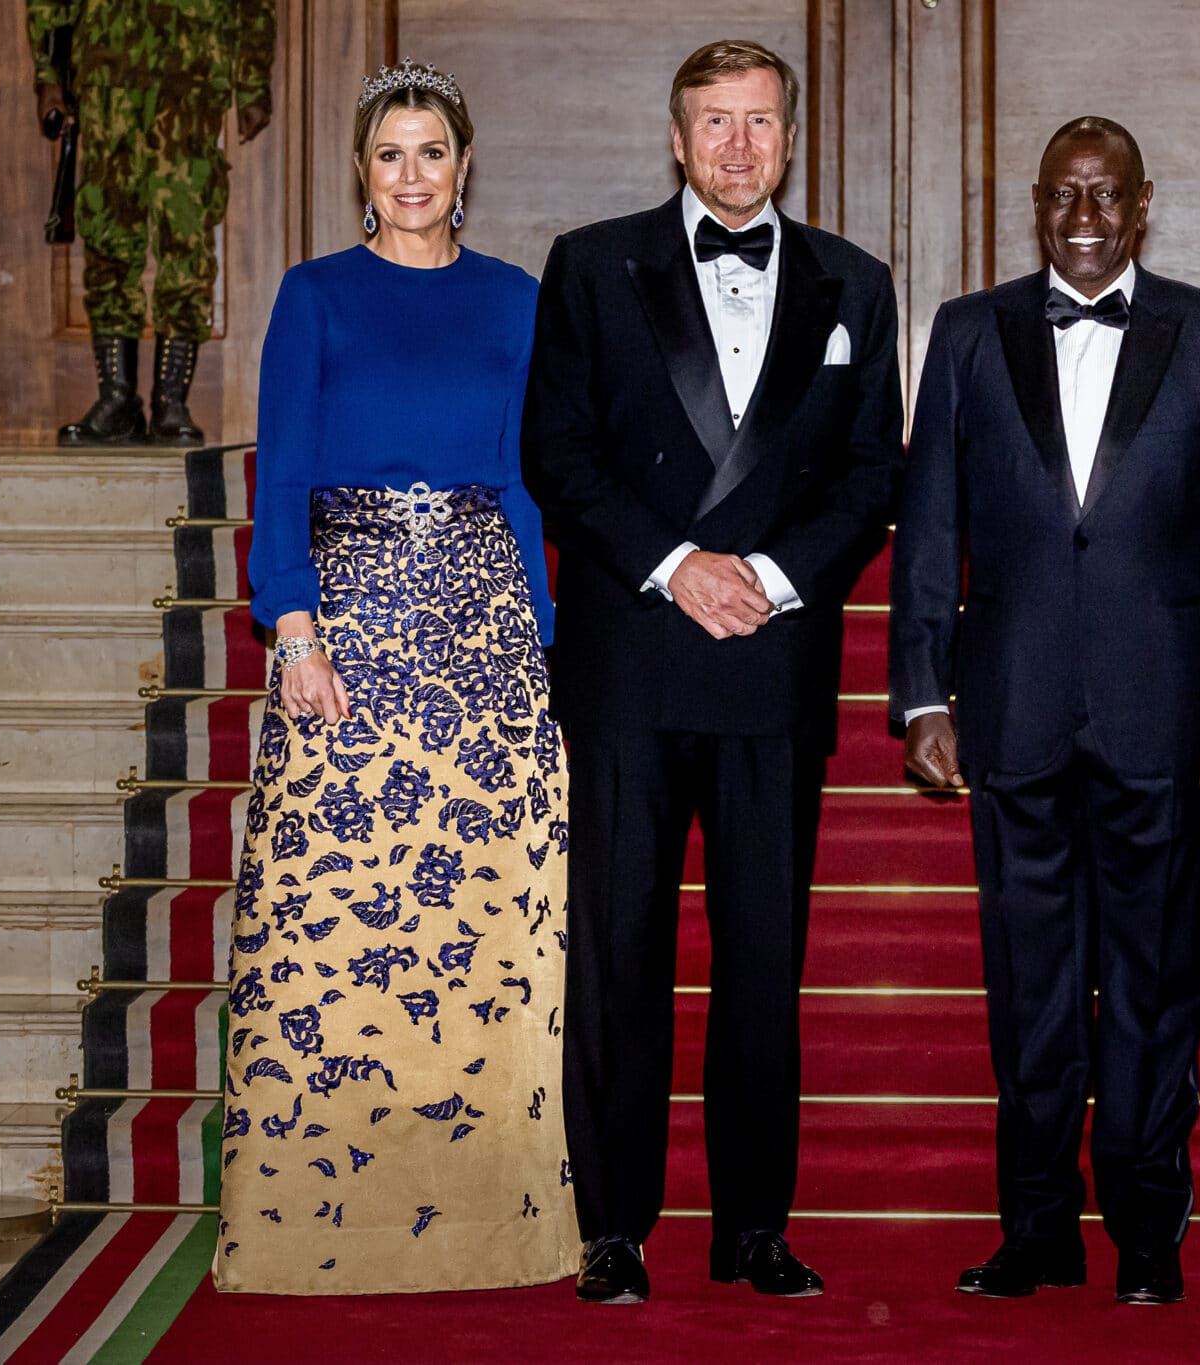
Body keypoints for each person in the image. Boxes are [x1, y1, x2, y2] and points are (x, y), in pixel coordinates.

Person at [521, 39, 904, 1305]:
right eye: (713, 122)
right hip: (632, 660)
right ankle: (614, 1228)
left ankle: (752, 1228)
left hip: (772, 663)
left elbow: (871, 473)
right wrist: (680, 563)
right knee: (618, 957)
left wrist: (774, 579)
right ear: (676, 138)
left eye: (759, 122)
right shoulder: (590, 264)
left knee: (760, 962)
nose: (738, 145)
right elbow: (556, 455)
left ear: (789, 138)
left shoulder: (856, 281)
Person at [889, 117, 1200, 1306]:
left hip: (1165, 722)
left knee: (1157, 988)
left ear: (1141, 203)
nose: (1082, 214)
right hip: (1008, 713)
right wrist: (921, 693)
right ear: (1034, 202)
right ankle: (1035, 1230)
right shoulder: (967, 334)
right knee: (1031, 992)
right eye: (1062, 193)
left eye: (1104, 194)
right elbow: (929, 535)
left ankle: (1148, 1232)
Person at [215, 60, 575, 1294]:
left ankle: (493, 1220)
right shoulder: (315, 297)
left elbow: (528, 481)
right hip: (351, 636)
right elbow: (286, 477)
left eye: (432, 152)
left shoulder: (518, 300)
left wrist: (535, 638)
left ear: (464, 167)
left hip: (482, 633)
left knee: (480, 926)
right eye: (390, 155)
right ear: (362, 174)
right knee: (342, 931)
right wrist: (294, 633)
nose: (412, 176)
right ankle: (324, 1224)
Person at [27, 0, 275, 447]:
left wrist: (253, 82)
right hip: (107, 73)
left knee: (187, 238)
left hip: (191, 73)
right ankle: (117, 399)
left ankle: (170, 402)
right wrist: (48, 74)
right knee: (107, 237)